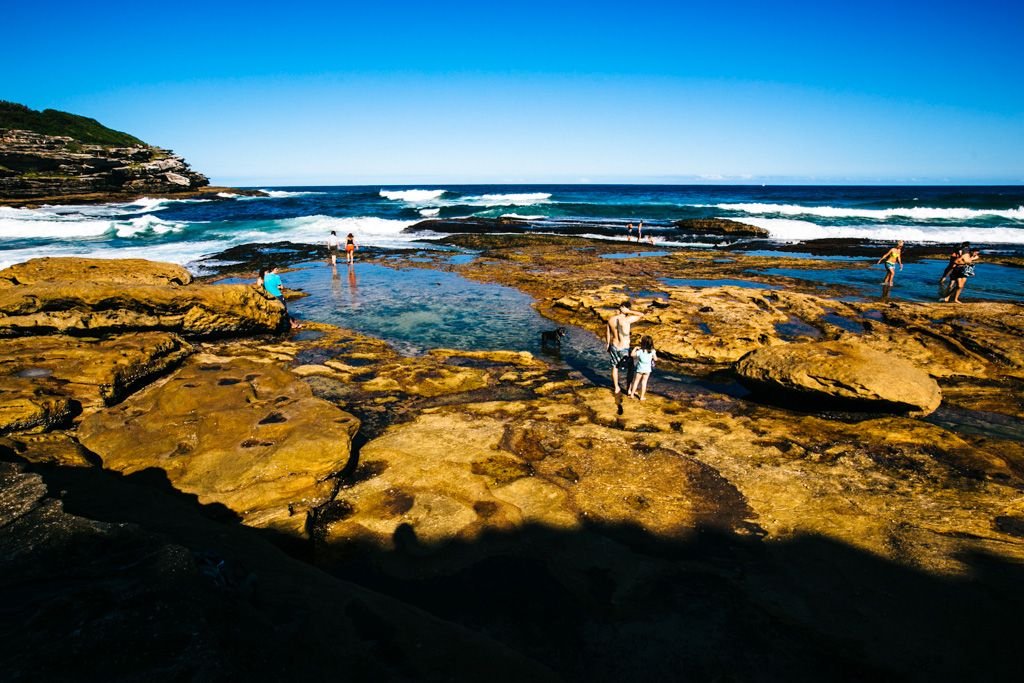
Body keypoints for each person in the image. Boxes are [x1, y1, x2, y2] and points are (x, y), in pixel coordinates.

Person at [605, 300, 645, 394]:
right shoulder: (627, 319)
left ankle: (616, 388)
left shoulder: (611, 319)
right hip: (624, 348)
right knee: (630, 368)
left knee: (615, 367)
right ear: (626, 308)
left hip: (614, 346)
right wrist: (629, 312)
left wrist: (607, 344)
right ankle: (629, 390)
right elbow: (641, 315)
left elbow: (607, 333)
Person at [628, 335, 658, 401]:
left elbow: (632, 355)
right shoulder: (652, 351)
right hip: (647, 370)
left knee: (636, 381)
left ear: (642, 343)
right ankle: (641, 397)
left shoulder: (641, 351)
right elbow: (656, 359)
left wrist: (635, 348)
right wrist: (652, 357)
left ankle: (632, 395)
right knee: (644, 383)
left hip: (640, 369)